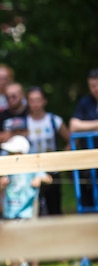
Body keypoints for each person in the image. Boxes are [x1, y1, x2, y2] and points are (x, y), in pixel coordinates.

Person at [0, 135, 52, 266]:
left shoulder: (31, 166)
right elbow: (2, 188)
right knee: (11, 240)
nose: (9, 155)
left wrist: (39, 179)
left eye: (12, 153)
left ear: (22, 153)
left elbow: (48, 178)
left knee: (32, 239)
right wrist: (2, 186)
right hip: (11, 209)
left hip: (28, 209)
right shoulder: (7, 167)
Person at [26, 86, 71, 215]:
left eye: (38, 100)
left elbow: (71, 140)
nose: (35, 104)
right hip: (32, 171)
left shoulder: (54, 120)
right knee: (34, 209)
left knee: (54, 207)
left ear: (44, 101)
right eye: (32, 100)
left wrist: (63, 158)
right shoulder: (24, 122)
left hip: (52, 170)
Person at [69, 68, 98, 209]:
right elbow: (74, 125)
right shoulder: (85, 102)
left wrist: (87, 126)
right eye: (92, 85)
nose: (96, 88)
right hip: (89, 160)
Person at [0, 82, 29, 148]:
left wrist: (10, 134)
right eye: (7, 97)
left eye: (14, 96)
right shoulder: (0, 116)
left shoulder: (31, 113)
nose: (10, 100)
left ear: (22, 95)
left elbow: (35, 133)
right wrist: (21, 133)